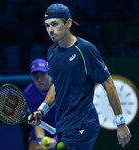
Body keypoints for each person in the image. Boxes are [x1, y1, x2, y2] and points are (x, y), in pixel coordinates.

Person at [28, 3, 131, 150]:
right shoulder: (51, 51)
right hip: (64, 126)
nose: (50, 30)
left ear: (68, 23)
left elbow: (109, 84)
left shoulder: (86, 50)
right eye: (47, 25)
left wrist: (120, 123)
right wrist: (41, 110)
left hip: (83, 124)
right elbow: (57, 85)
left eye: (55, 24)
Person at [24, 58, 57, 150]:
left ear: (49, 74)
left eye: (42, 74)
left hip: (62, 126)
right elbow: (36, 121)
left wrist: (56, 139)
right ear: (31, 77)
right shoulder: (28, 93)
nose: (39, 79)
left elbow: (67, 117)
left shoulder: (60, 87)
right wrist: (40, 141)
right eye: (35, 75)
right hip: (41, 125)